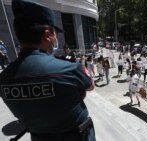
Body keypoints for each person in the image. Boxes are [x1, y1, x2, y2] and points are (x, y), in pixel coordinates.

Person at [0, 1, 96, 141]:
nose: (56, 39)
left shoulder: (3, 78)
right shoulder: (68, 68)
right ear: (47, 35)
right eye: (55, 33)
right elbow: (91, 85)